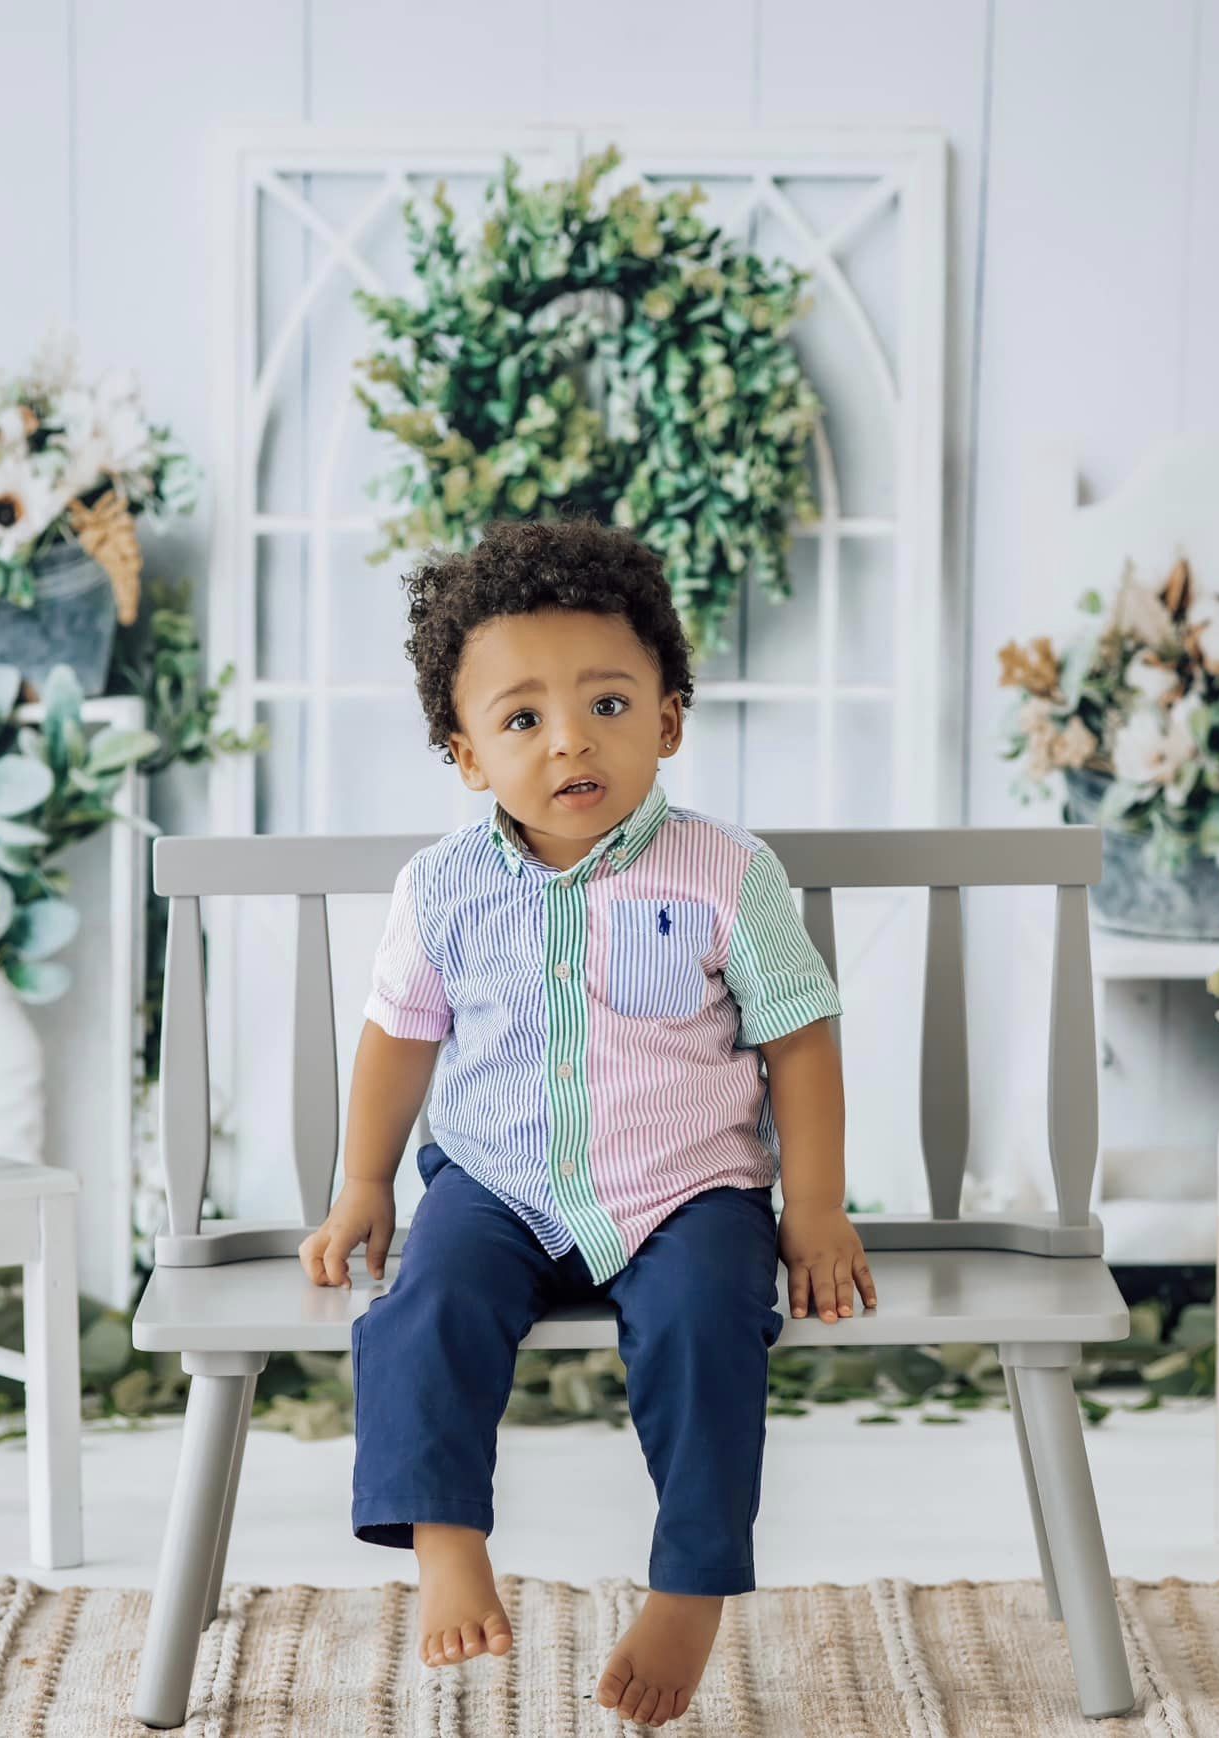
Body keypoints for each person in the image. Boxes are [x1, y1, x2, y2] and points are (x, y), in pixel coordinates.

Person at [299, 516, 872, 1729]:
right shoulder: (439, 889)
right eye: (521, 718)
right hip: (496, 1184)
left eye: (608, 703)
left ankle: (690, 1580)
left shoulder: (725, 873)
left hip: (686, 1188)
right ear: (464, 755)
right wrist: (363, 1183)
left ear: (665, 719)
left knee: (710, 1323)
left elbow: (798, 1042)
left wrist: (811, 1208)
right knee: (424, 1305)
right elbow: (399, 1036)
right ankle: (445, 1538)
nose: (570, 738)